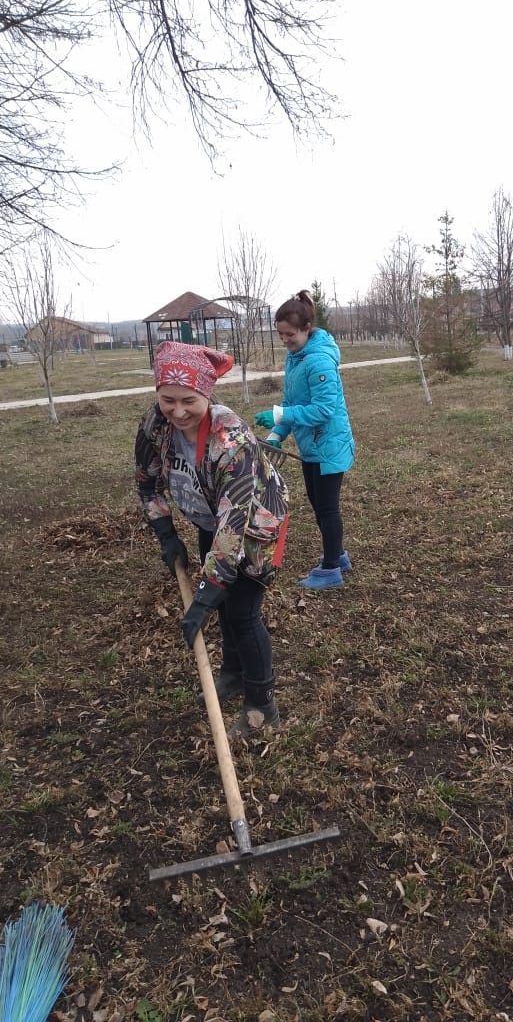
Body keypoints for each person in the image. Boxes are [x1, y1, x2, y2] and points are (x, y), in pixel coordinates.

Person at [135, 341, 289, 736]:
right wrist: (166, 534)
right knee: (223, 605)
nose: (178, 411)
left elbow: (235, 525)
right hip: (210, 520)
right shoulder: (155, 425)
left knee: (241, 611)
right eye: (168, 399)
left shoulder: (230, 440)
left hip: (256, 524)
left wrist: (204, 594)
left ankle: (261, 707)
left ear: (206, 393)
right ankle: (233, 674)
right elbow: (147, 485)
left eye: (189, 400)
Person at [255, 290, 354, 590]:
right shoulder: (295, 358)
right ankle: (338, 555)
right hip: (311, 446)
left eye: (290, 335)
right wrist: (275, 434)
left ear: (306, 329)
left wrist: (279, 414)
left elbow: (323, 410)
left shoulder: (319, 362)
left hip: (328, 445)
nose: (285, 340)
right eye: (281, 335)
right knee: (318, 504)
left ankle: (331, 569)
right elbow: (290, 401)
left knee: (327, 508)